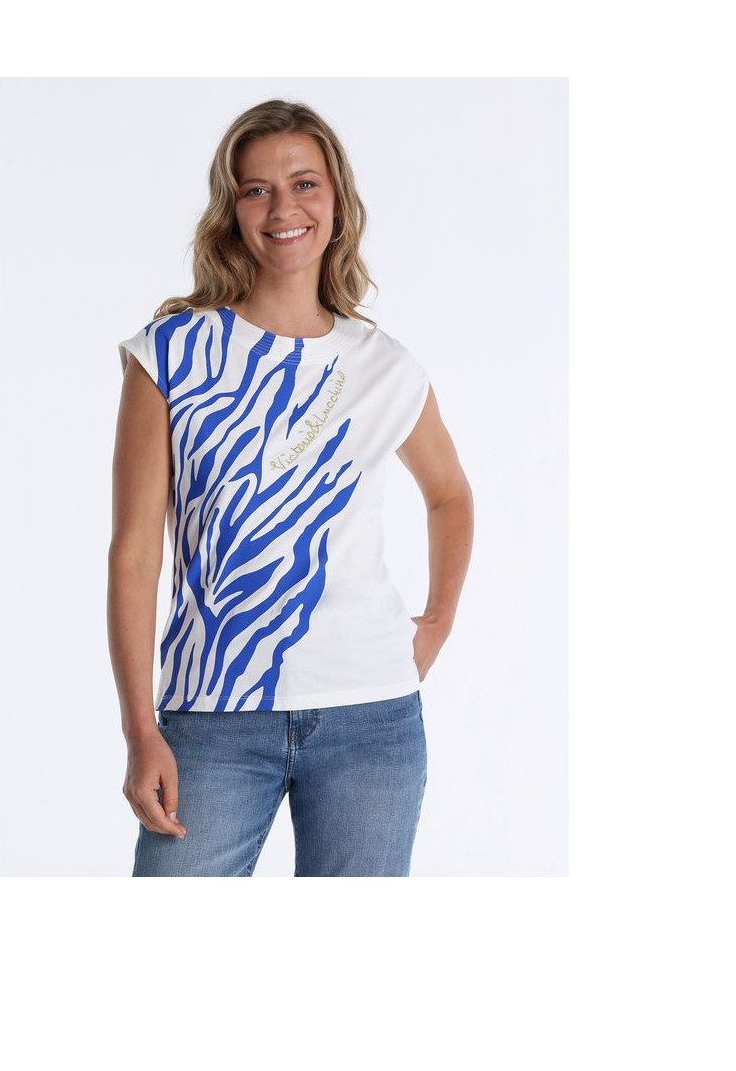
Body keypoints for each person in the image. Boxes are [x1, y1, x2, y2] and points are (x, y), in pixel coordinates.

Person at [108, 99, 473, 876]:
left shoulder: (384, 366)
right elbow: (135, 553)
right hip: (212, 718)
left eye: (304, 183)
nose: (283, 209)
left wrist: (437, 622)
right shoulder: (171, 355)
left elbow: (450, 496)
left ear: (336, 201)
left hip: (371, 715)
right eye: (257, 190)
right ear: (232, 209)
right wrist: (141, 728)